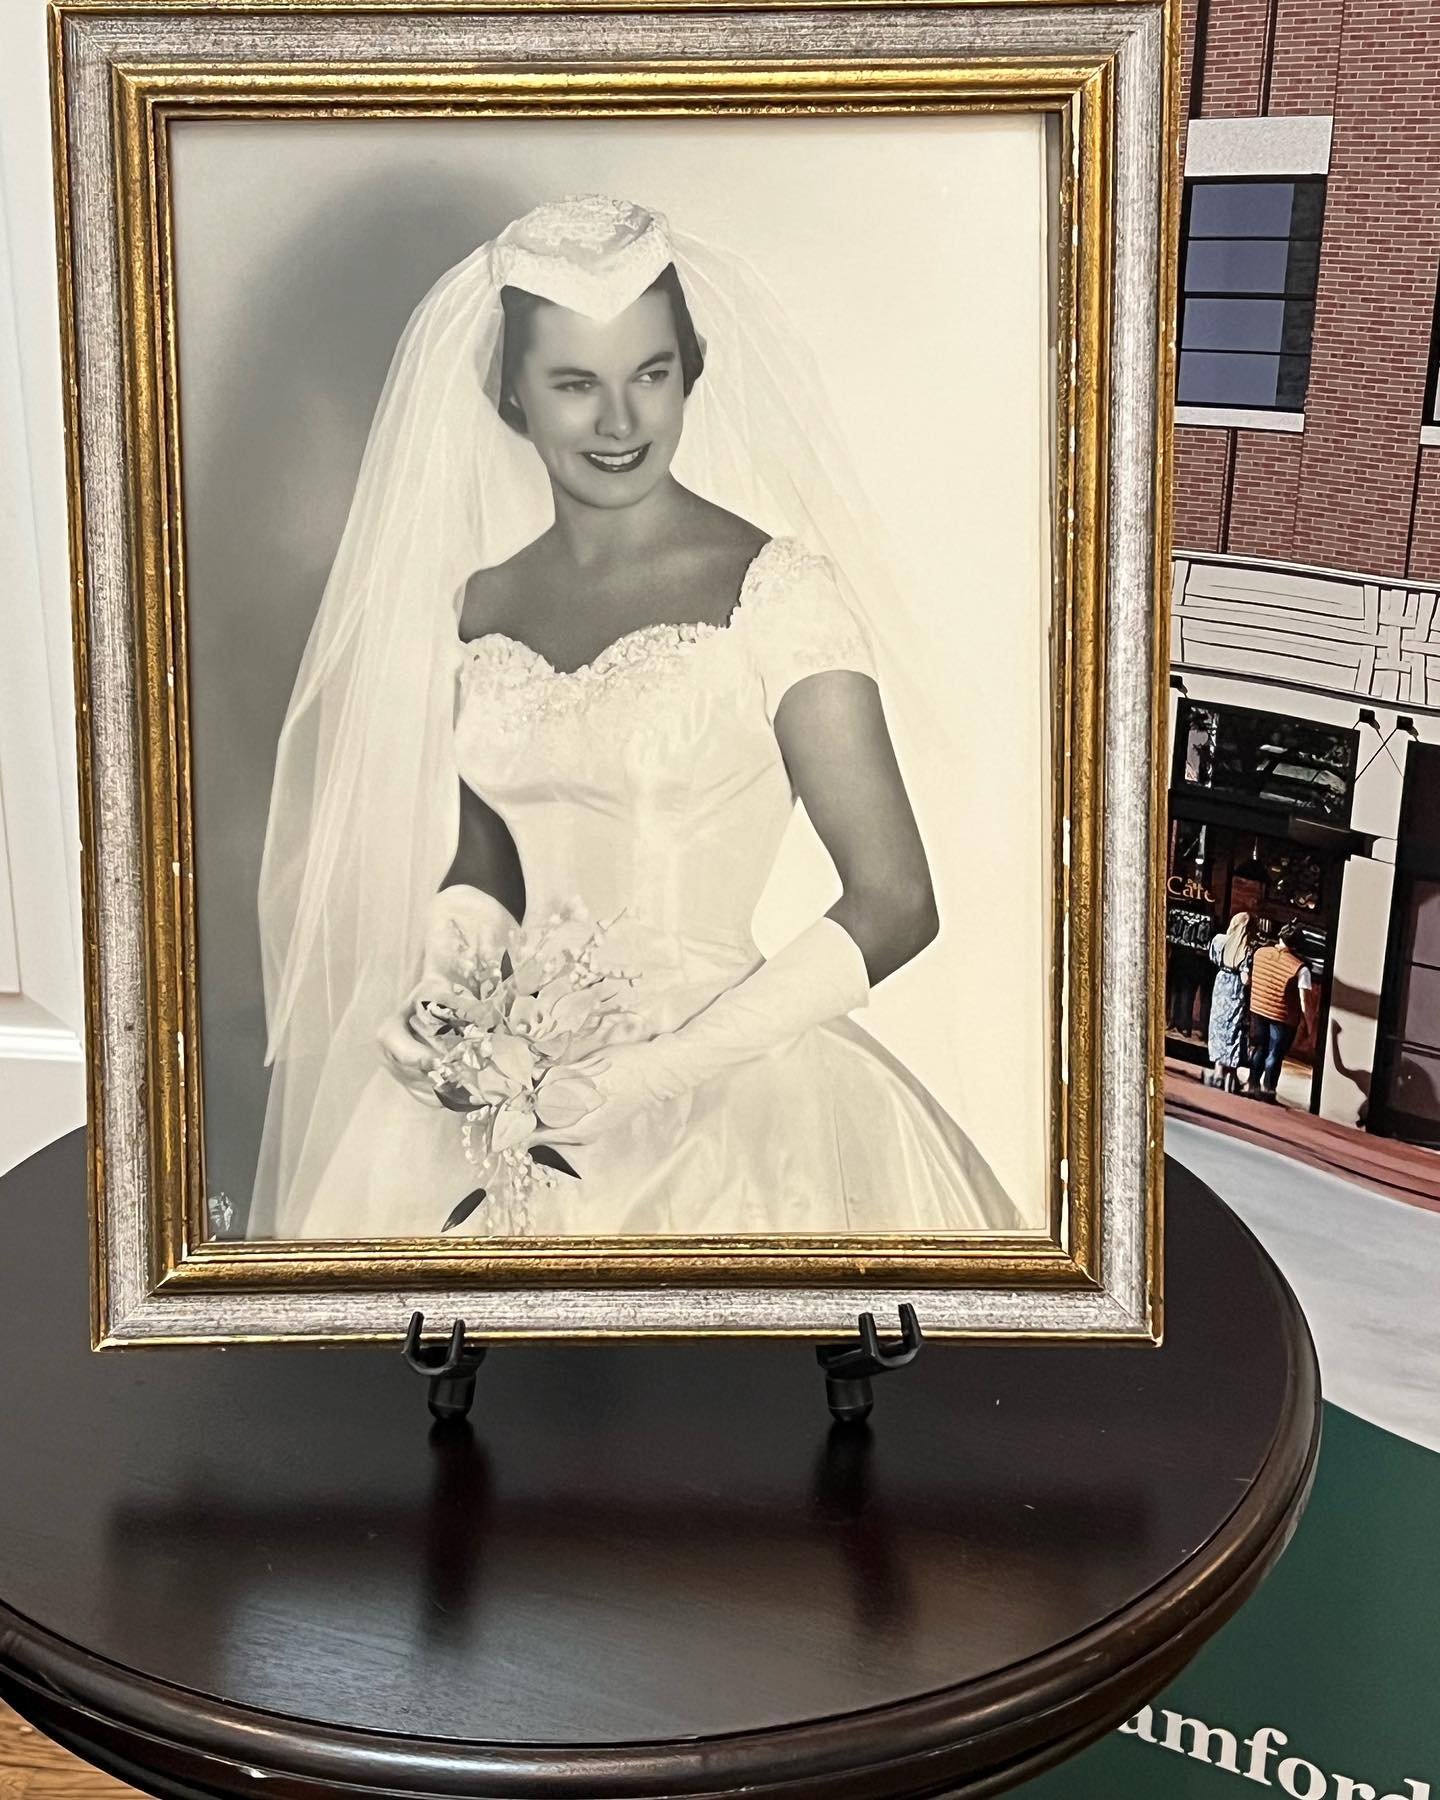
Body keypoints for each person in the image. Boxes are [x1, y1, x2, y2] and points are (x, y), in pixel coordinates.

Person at [251, 194, 1022, 1239]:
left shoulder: (780, 592)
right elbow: (488, 864)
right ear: (509, 394)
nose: (622, 423)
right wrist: (441, 989)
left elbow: (896, 900)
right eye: (576, 384)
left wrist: (651, 1078)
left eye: (651, 375)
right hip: (508, 1081)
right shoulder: (477, 604)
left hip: (729, 1097)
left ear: (690, 370)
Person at [1246, 922, 1317, 1104]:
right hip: (1283, 1016)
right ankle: (1269, 1090)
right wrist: (1310, 1026)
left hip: (1258, 1008)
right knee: (1275, 1054)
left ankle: (1252, 1084)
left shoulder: (1260, 953)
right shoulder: (1300, 968)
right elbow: (1305, 1001)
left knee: (1259, 1048)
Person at [1205, 911, 1255, 1093]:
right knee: (1234, 1030)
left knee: (1218, 1028)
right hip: (1235, 991)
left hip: (1220, 986)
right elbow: (1244, 979)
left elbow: (1211, 958)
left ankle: (1218, 1071)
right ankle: (1231, 1075)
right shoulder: (1247, 950)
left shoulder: (1219, 940)